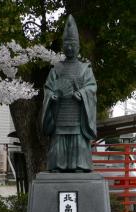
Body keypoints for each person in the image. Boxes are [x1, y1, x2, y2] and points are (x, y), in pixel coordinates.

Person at [42, 15, 97, 172]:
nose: (70, 48)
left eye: (73, 45)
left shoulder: (85, 68)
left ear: (78, 47)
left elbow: (92, 87)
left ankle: (80, 165)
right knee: (59, 140)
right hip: (60, 113)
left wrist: (83, 93)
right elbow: (48, 88)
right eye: (67, 45)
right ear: (63, 47)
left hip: (77, 114)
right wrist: (51, 96)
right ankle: (57, 166)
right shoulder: (56, 68)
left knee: (78, 140)